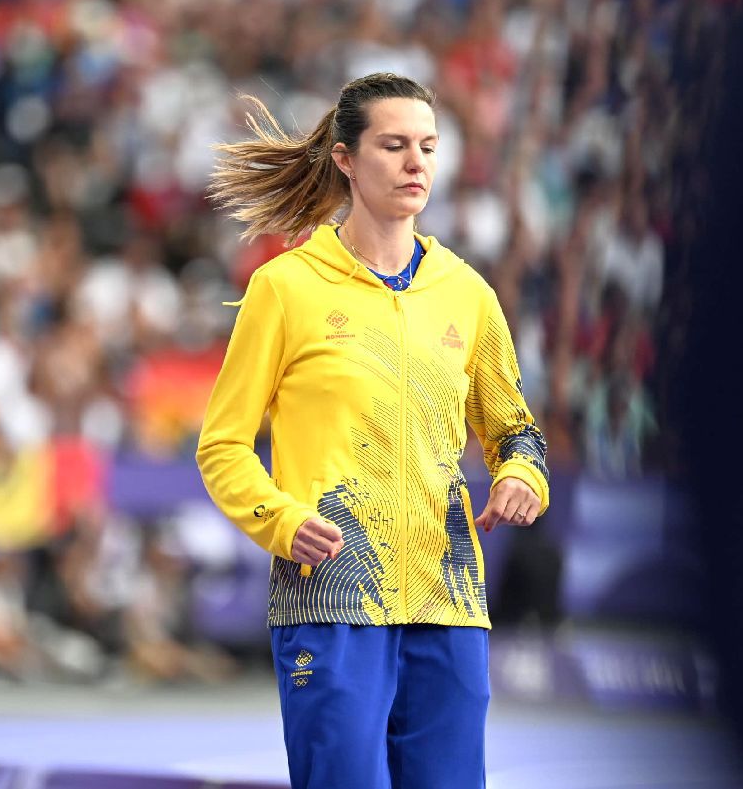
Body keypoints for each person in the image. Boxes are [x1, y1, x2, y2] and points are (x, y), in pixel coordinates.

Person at [197, 73, 549, 789]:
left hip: (447, 599)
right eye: (393, 145)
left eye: (427, 145)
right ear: (345, 158)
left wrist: (520, 475)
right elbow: (223, 445)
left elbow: (517, 431)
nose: (416, 162)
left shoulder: (467, 294)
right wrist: (279, 518)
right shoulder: (285, 289)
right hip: (331, 596)